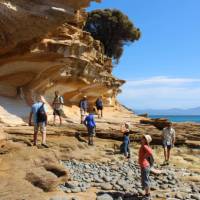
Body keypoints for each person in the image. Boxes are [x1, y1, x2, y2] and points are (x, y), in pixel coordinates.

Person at [138, 135, 153, 200]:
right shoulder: (144, 146)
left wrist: (144, 156)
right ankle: (147, 193)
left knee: (145, 180)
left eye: (143, 138)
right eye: (142, 138)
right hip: (144, 165)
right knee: (145, 180)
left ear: (146, 140)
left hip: (145, 166)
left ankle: (147, 195)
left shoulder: (144, 146)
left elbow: (150, 152)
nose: (142, 139)